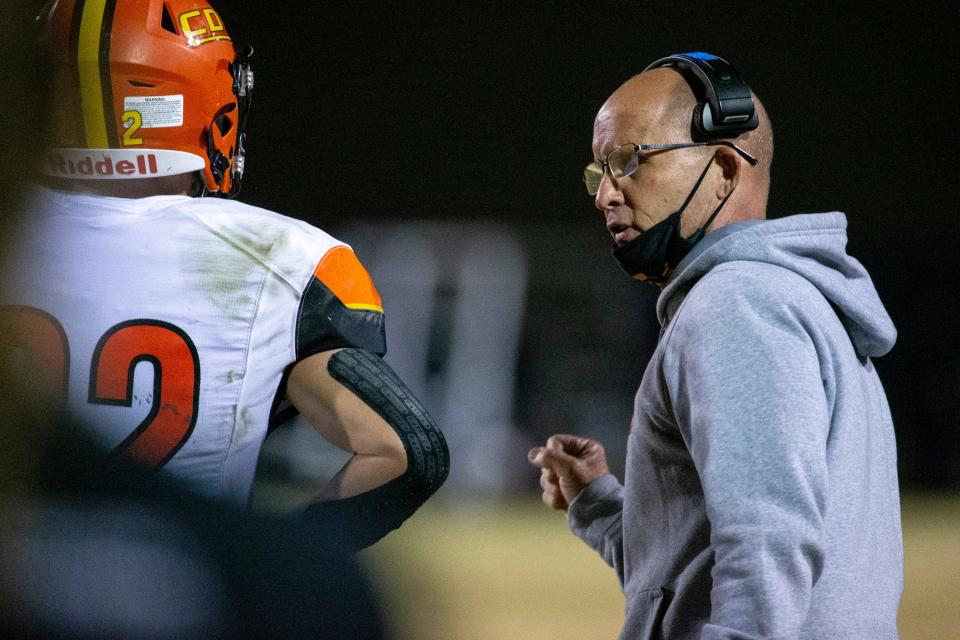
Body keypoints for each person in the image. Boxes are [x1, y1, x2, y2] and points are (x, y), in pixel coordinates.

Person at [2, 0, 448, 552]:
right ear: (196, 101)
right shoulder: (278, 258)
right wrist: (269, 565)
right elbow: (407, 453)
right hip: (173, 598)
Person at [528, 52, 901, 638]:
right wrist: (599, 504)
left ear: (726, 167)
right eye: (599, 172)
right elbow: (684, 582)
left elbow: (766, 549)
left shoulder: (739, 303)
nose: (605, 195)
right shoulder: (785, 297)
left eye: (628, 162)